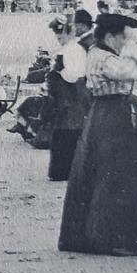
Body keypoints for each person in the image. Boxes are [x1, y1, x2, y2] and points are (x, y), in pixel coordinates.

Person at [58, 13, 137, 257]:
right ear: (110, 36)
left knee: (120, 172)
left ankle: (121, 233)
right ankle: (108, 237)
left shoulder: (100, 53)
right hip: (110, 115)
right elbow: (127, 72)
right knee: (113, 174)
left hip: (109, 114)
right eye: (122, 38)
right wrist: (135, 48)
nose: (124, 43)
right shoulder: (102, 56)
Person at [47, 16, 90, 181]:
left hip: (73, 95)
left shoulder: (76, 49)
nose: (58, 37)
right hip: (63, 97)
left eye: (61, 34)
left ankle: (66, 170)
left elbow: (75, 74)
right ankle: (60, 170)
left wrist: (59, 70)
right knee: (62, 131)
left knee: (70, 131)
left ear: (70, 32)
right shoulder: (65, 49)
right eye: (56, 34)